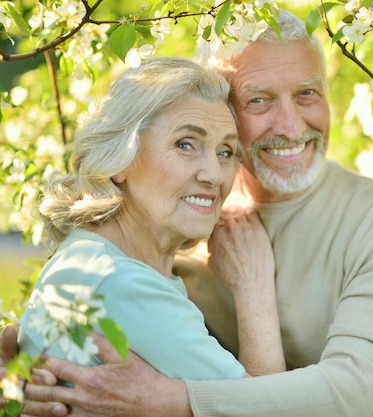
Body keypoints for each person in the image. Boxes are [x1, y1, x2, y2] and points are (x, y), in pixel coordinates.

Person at [1, 9, 373, 417]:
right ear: (222, 109)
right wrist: (31, 353)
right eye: (259, 100)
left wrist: (173, 400)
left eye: (307, 94)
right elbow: (114, 300)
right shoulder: (185, 219)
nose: (290, 125)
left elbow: (352, 394)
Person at [14, 57, 285, 389]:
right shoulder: (120, 282)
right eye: (186, 144)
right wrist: (254, 288)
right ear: (119, 160)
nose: (214, 175)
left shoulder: (91, 257)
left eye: (226, 151)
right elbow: (266, 406)